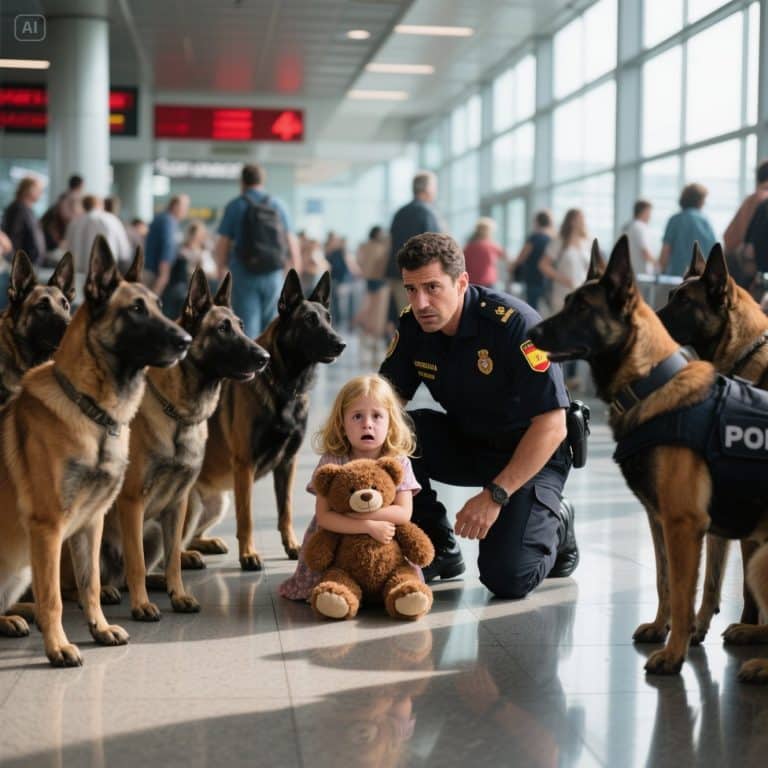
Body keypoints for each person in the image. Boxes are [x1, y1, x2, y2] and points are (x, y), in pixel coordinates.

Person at [379, 233, 578, 597]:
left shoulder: (514, 324)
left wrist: (495, 496)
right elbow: (384, 402)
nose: (420, 302)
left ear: (462, 282)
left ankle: (559, 520)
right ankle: (438, 546)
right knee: (395, 431)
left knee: (507, 578)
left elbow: (553, 425)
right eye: (411, 289)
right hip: (469, 441)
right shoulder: (414, 325)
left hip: (532, 455)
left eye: (432, 287)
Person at [279, 373, 422, 601]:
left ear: (391, 423)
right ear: (342, 424)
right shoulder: (333, 460)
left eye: (377, 416)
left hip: (386, 543)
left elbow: (404, 512)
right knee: (331, 577)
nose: (367, 423)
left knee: (401, 575)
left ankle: (398, 593)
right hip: (338, 542)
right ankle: (338, 594)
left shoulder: (398, 461)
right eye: (357, 416)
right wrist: (367, 526)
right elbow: (324, 517)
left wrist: (361, 514)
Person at [215, 163, 299, 338]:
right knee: (272, 324)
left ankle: (252, 363)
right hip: (273, 273)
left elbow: (223, 242)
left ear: (242, 182)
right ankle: (271, 362)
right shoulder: (278, 204)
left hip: (243, 272)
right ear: (263, 180)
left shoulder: (235, 205)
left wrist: (220, 269)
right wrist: (294, 270)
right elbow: (291, 240)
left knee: (248, 324)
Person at [386, 171, 444, 324]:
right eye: (435, 187)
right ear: (428, 189)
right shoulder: (428, 212)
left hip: (400, 275)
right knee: (424, 323)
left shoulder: (400, 212)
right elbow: (436, 247)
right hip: (422, 277)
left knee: (407, 321)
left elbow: (391, 243)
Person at [538, 209, 591, 315]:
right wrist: (564, 279)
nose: (583, 221)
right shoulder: (559, 241)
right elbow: (543, 265)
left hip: (583, 294)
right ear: (571, 221)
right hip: (563, 294)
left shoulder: (587, 242)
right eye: (580, 218)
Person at [64, 194, 133, 273]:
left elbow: (67, 247)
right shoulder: (110, 219)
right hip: (104, 271)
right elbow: (124, 250)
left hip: (77, 271)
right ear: (99, 204)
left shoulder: (74, 222)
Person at [659, 183, 716, 276]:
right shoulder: (705, 222)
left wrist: (661, 271)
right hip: (699, 278)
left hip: (676, 277)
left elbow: (665, 251)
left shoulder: (675, 220)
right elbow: (713, 253)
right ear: (699, 201)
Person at [162, 220, 215, 318]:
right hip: (183, 287)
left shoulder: (204, 252)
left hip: (199, 288)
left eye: (200, 235)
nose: (197, 238)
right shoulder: (181, 251)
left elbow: (212, 272)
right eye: (195, 234)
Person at [144, 194, 190, 296]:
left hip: (151, 268)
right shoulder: (168, 221)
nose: (186, 211)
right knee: (152, 299)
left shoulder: (163, 219)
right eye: (185, 207)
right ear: (175, 206)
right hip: (156, 271)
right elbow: (167, 245)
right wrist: (164, 272)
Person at [353, 226, 391, 343]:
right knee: (377, 309)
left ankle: (366, 329)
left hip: (369, 279)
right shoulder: (382, 247)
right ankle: (374, 333)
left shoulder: (363, 246)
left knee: (369, 306)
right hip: (380, 279)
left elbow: (359, 262)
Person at [511, 210, 554, 312]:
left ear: (537, 222)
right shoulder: (553, 238)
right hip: (548, 279)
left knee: (532, 308)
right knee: (549, 308)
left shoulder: (534, 238)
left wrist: (512, 267)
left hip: (533, 277)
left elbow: (521, 257)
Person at [724, 159, 768, 255]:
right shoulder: (764, 199)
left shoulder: (750, 200)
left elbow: (728, 237)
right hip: (759, 263)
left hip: (743, 261)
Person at [1, 176, 46, 265]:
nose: (41, 193)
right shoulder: (18, 209)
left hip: (30, 264)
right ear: (28, 189)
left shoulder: (27, 209)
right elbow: (13, 238)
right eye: (38, 189)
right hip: (21, 266)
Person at [463, 217, 505, 288]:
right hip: (488, 281)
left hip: (472, 281)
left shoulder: (468, 247)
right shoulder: (493, 246)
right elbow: (506, 259)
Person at [622, 199, 656, 277]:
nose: (650, 216)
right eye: (649, 212)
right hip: (641, 274)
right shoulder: (639, 227)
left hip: (631, 272)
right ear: (644, 211)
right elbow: (645, 251)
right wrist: (657, 264)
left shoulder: (629, 226)